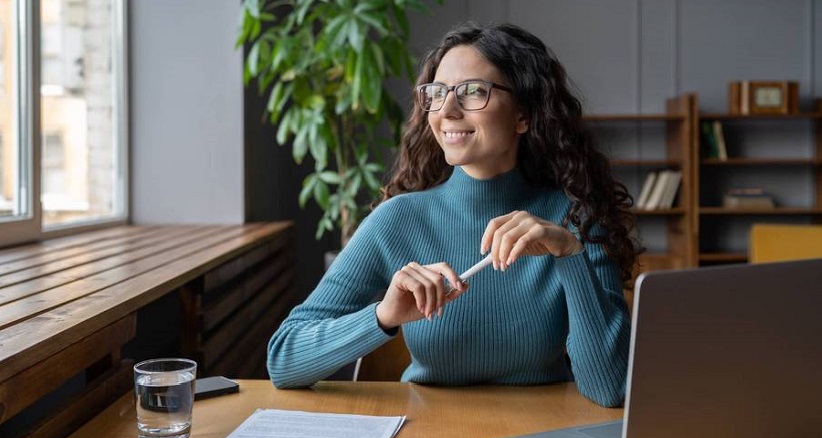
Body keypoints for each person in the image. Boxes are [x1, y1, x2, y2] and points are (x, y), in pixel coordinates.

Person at [268, 22, 641, 407]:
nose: (447, 109)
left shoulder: (574, 221)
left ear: (523, 115)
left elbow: (609, 389)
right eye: (437, 93)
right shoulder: (396, 220)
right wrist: (383, 316)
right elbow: (284, 359)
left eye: (473, 91)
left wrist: (569, 253)